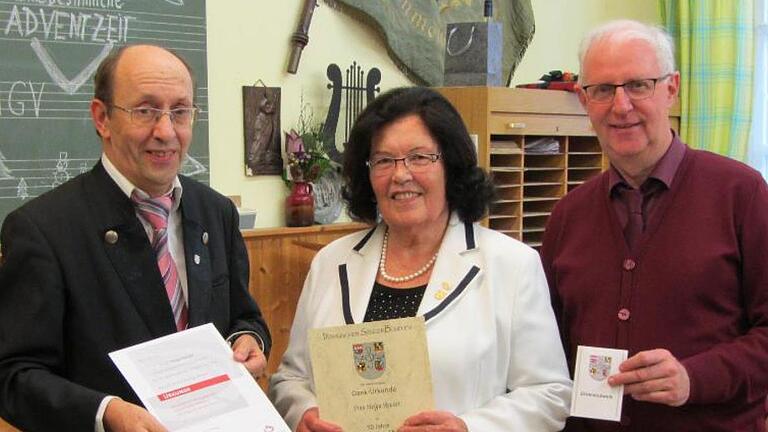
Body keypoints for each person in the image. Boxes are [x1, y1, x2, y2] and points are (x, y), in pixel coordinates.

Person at [0, 44, 271, 432]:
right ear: (102, 118)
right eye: (145, 110)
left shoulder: (217, 212)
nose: (165, 131)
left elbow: (243, 315)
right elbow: (14, 375)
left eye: (180, 112)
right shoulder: (43, 229)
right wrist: (106, 412)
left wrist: (250, 339)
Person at [269, 87, 571, 431]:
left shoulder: (512, 265)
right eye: (383, 160)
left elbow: (550, 393)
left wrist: (469, 427)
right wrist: (304, 413)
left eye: (419, 157)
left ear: (452, 166)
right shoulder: (330, 262)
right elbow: (290, 378)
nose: (400, 175)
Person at [541, 20, 768, 431]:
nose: (621, 105)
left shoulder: (742, 194)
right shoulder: (567, 216)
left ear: (671, 88)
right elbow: (547, 351)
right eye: (603, 90)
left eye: (638, 85)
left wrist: (694, 378)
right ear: (583, 99)